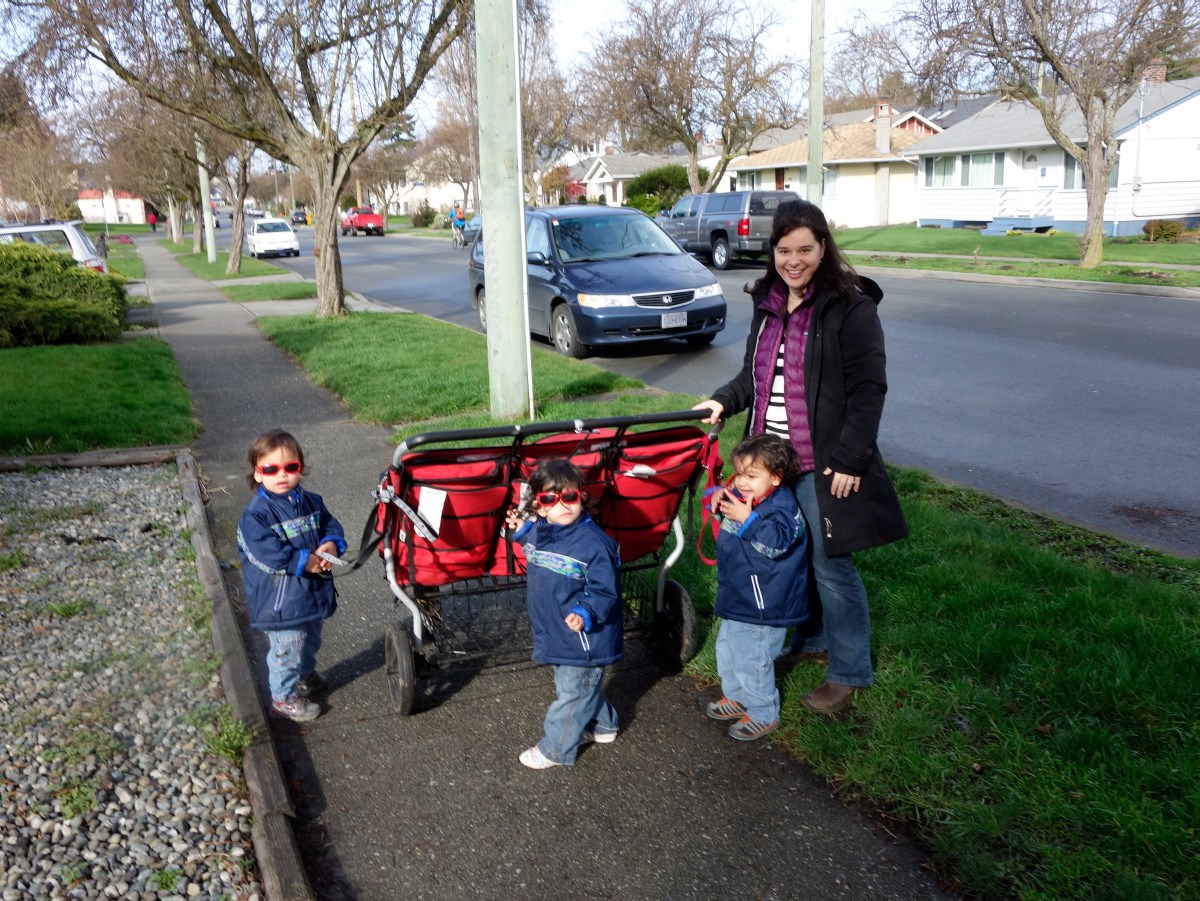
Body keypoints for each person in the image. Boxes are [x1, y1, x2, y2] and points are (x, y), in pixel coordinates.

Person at [694, 199, 907, 715]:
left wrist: (852, 460)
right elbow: (756, 376)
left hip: (824, 462)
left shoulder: (849, 305)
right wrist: (723, 398)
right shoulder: (767, 301)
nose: (794, 260)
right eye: (785, 250)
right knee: (787, 557)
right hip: (771, 469)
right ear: (773, 252)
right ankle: (809, 640)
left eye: (805, 249)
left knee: (831, 567)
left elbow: (869, 389)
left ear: (823, 248)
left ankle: (849, 671)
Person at [505, 459, 622, 769]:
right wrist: (521, 530)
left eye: (569, 497)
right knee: (580, 686)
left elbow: (605, 589)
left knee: (572, 693)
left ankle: (555, 748)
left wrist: (586, 611)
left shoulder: (594, 544)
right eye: (549, 499)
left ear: (581, 498)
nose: (562, 505)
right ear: (539, 507)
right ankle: (605, 724)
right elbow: (533, 542)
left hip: (583, 634)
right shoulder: (544, 530)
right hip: (557, 629)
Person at [237, 429, 347, 723]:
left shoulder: (311, 502)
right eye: (271, 469)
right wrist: (306, 562)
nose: (281, 474)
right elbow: (267, 554)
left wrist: (330, 543)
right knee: (287, 647)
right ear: (258, 474)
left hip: (308, 593)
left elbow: (330, 525)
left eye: (290, 467)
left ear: (301, 468)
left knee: (310, 638)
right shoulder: (256, 516)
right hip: (279, 599)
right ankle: (283, 697)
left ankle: (304, 674)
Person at [706, 433, 808, 741]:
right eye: (739, 474)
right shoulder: (748, 494)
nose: (742, 482)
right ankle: (737, 697)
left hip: (765, 603)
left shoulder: (784, 507)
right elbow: (730, 506)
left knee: (755, 659)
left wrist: (747, 519)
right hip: (739, 592)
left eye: (752, 475)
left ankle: (763, 711)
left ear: (776, 477)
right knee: (729, 649)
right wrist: (716, 495)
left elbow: (777, 543)